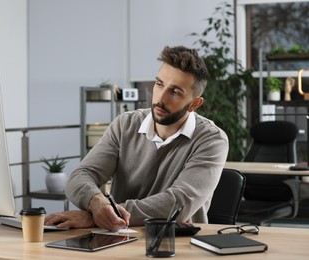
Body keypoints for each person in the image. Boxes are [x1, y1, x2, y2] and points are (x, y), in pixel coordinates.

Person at [45, 45, 229, 231]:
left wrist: (100, 217)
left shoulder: (212, 140)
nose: (160, 98)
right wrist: (97, 203)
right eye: (159, 84)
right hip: (117, 240)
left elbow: (178, 203)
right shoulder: (125, 125)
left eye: (175, 92)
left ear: (195, 104)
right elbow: (81, 175)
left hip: (177, 246)